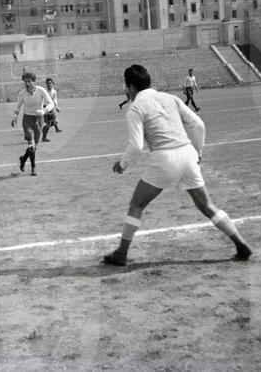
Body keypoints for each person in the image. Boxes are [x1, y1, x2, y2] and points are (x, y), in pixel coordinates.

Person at [103, 65, 252, 266]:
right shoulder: (171, 98)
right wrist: (198, 153)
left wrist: (123, 164)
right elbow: (198, 125)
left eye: (126, 87)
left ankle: (121, 253)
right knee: (207, 206)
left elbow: (137, 146)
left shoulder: (135, 107)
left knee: (137, 205)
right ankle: (241, 244)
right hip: (187, 153)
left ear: (130, 86)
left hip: (164, 158)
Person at [11, 72, 54, 176]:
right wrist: (15, 117)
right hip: (27, 120)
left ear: (34, 81)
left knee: (34, 147)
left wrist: (43, 111)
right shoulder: (22, 94)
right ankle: (33, 167)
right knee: (31, 144)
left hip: (39, 120)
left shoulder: (41, 90)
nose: (27, 83)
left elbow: (51, 104)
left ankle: (23, 159)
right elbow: (17, 107)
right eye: (25, 81)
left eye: (29, 81)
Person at [41, 77, 62, 142]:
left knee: (55, 121)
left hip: (51, 108)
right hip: (45, 108)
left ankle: (45, 128)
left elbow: (55, 100)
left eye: (50, 83)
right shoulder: (44, 91)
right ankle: (44, 137)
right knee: (48, 124)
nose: (49, 84)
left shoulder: (54, 91)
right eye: (48, 83)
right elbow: (41, 100)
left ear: (53, 84)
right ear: (46, 84)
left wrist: (56, 107)